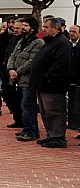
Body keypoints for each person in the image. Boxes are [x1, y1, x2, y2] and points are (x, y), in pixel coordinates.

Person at [30, 17, 72, 148]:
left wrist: (46, 77)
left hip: (53, 86)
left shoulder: (62, 43)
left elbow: (60, 65)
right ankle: (51, 134)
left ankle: (58, 137)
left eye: (46, 27)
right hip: (43, 85)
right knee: (46, 112)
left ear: (55, 28)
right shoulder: (50, 42)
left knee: (54, 112)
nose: (44, 30)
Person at [8, 17, 44, 142]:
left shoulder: (38, 42)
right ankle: (26, 129)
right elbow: (13, 56)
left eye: (25, 25)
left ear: (32, 28)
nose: (22, 27)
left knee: (28, 105)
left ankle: (31, 131)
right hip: (18, 79)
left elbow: (32, 61)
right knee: (23, 105)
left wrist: (17, 71)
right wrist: (11, 69)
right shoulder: (22, 40)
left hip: (28, 79)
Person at [0, 17, 21, 123]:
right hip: (5, 67)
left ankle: (19, 117)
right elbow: (4, 53)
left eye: (15, 25)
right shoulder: (5, 37)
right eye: (10, 23)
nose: (12, 26)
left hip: (18, 70)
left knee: (16, 94)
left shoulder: (21, 39)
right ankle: (14, 113)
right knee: (6, 90)